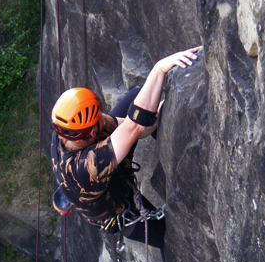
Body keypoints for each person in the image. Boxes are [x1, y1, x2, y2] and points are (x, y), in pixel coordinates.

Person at [50, 47, 201, 248]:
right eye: (96, 124)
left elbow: (131, 125)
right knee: (171, 241)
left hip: (95, 169)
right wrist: (159, 70)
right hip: (121, 209)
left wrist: (163, 113)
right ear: (89, 134)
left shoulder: (66, 127)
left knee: (141, 94)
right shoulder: (85, 168)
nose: (100, 123)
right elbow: (134, 127)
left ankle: (71, 192)